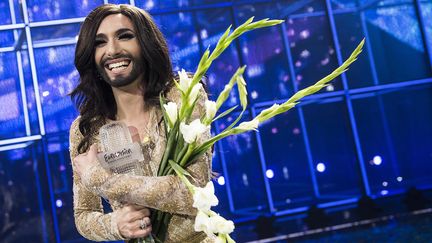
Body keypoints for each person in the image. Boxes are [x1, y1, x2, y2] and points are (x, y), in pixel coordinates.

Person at [69, 4, 214, 242]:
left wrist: (102, 180)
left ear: (146, 44)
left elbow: (192, 192)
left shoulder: (183, 97)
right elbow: (84, 215)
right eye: (99, 42)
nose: (112, 50)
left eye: (125, 37)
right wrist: (115, 224)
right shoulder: (87, 129)